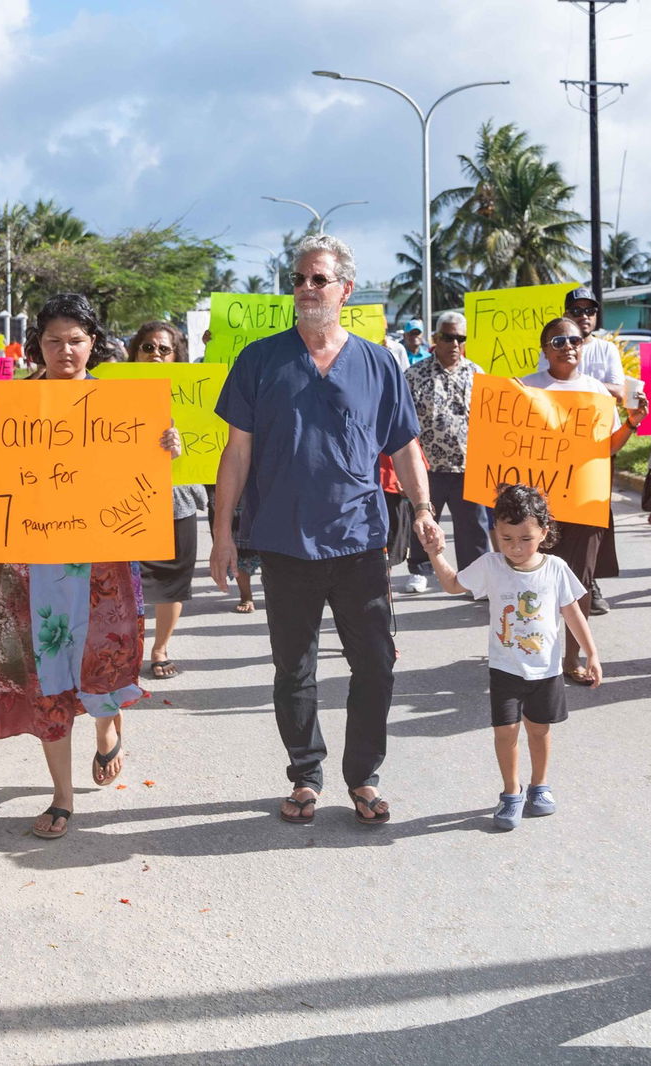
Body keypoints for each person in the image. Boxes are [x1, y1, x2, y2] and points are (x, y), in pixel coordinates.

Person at [0, 293, 181, 840]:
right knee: (47, 673)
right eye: (52, 340)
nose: (64, 350)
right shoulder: (11, 406)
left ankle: (108, 728)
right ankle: (62, 796)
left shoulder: (121, 403)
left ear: (94, 344)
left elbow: (143, 471)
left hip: (103, 562)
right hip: (32, 564)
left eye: (75, 340)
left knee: (103, 661)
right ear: (37, 346)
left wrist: (168, 446)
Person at [210, 233, 440, 827]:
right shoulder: (261, 360)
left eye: (319, 279)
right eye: (299, 279)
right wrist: (222, 534)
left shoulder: (378, 362)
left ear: (345, 289)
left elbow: (405, 445)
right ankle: (305, 776)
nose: (307, 289)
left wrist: (422, 508)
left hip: (362, 541)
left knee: (376, 663)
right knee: (295, 668)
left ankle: (362, 776)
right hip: (284, 544)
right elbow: (236, 453)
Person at [421, 483, 601, 830]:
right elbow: (453, 584)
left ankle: (539, 786)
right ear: (495, 533)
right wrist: (434, 553)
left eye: (525, 539)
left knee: (539, 730)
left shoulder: (556, 568)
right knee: (505, 732)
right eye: (506, 539)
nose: (516, 548)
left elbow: (573, 612)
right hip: (505, 669)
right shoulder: (491, 565)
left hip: (545, 670)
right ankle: (510, 792)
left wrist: (591, 653)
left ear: (544, 532)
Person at [521, 316, 644, 685]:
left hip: (586, 499)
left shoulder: (597, 392)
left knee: (580, 581)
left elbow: (605, 449)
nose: (568, 347)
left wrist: (632, 424)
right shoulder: (526, 389)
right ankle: (534, 649)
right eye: (558, 341)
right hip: (540, 503)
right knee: (537, 579)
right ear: (544, 350)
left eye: (573, 340)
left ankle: (571, 655)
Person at [127, 320, 207, 679]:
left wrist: (180, 447)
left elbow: (210, 445)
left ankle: (159, 648)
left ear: (176, 355)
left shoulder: (194, 392)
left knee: (173, 580)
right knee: (126, 582)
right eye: (148, 347)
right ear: (135, 353)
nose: (155, 354)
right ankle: (127, 649)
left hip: (176, 500)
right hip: (125, 503)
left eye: (164, 349)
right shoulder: (110, 390)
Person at [543, 287, 627, 615]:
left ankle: (589, 581)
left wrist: (579, 384)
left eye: (589, 310)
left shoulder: (605, 351)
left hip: (598, 444)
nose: (584, 316)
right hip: (556, 450)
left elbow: (618, 391)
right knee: (555, 520)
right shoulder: (556, 343)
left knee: (595, 518)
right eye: (576, 311)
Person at [403, 311, 488, 593]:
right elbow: (403, 421)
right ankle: (420, 569)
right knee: (423, 520)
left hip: (468, 466)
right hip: (428, 467)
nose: (454, 343)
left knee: (473, 527)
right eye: (448, 337)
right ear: (436, 338)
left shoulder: (478, 374)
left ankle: (474, 578)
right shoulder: (415, 375)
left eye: (460, 338)